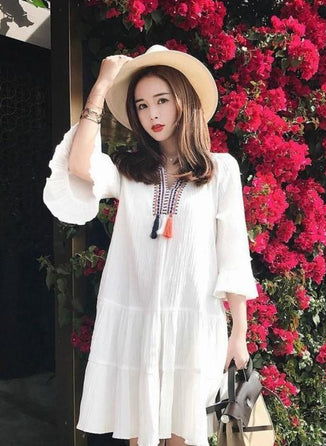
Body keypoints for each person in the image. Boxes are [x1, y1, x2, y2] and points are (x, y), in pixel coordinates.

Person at [43, 45, 258, 446]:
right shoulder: (129, 171)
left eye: (162, 100)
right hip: (137, 326)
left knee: (183, 436)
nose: (152, 114)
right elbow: (77, 164)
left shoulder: (221, 170)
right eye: (142, 105)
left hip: (192, 325)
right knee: (139, 435)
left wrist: (239, 334)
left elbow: (232, 254)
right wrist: (102, 85)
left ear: (183, 102)